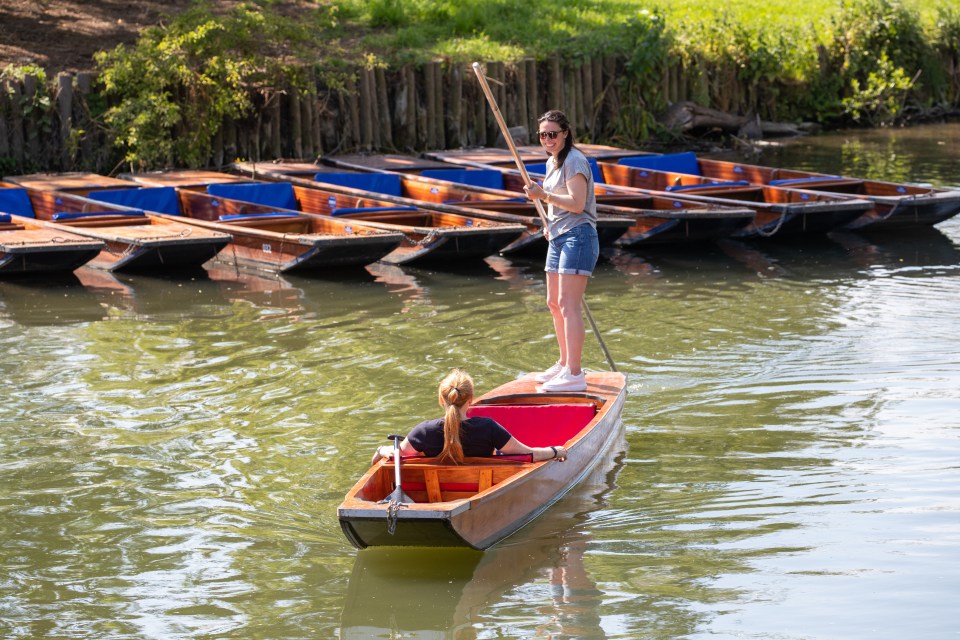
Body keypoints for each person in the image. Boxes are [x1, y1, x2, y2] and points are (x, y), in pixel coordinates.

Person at [522, 109, 599, 393]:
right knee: (553, 303)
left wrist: (543, 195)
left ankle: (575, 373)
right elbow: (559, 205)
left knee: (568, 305)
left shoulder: (575, 160)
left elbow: (577, 204)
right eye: (543, 134)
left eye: (553, 134)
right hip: (558, 235)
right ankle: (564, 363)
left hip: (578, 236)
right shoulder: (551, 162)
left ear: (565, 133)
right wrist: (550, 220)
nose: (547, 139)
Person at [372, 368, 568, 465]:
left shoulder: (424, 431)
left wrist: (381, 450)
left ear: (442, 399)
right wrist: (555, 451)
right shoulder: (487, 427)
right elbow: (527, 454)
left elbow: (397, 455)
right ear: (471, 400)